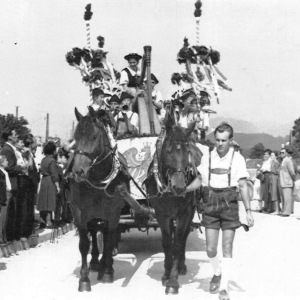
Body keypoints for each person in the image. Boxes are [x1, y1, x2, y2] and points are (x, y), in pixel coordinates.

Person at [185, 122, 254, 300]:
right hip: (211, 203)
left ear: (231, 140)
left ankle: (224, 287)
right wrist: (184, 190)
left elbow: (243, 186)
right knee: (209, 249)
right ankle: (217, 272)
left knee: (227, 246)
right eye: (217, 140)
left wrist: (248, 210)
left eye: (224, 140)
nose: (220, 144)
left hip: (230, 204)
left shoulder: (237, 159)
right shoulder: (208, 157)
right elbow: (200, 179)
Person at [0, 130, 25, 241]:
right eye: (15, 135)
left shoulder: (10, 149)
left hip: (14, 183)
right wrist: (21, 167)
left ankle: (11, 236)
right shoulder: (7, 150)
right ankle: (9, 236)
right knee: (11, 212)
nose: (17, 137)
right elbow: (9, 168)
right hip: (11, 183)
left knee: (13, 211)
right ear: (9, 137)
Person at [37, 142, 60, 228]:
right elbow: (54, 174)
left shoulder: (43, 159)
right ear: (53, 151)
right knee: (50, 201)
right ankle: (49, 221)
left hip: (44, 180)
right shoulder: (52, 161)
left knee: (43, 201)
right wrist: (57, 185)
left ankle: (43, 220)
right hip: (50, 181)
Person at [279, 146, 296, 217]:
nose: (281, 154)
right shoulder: (283, 161)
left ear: (286, 153)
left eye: (283, 152)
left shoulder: (288, 161)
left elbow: (292, 172)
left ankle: (286, 212)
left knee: (287, 198)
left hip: (287, 181)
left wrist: (293, 179)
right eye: (280, 152)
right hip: (283, 181)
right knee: (284, 198)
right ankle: (284, 210)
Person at [0, 155, 11, 245]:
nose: (7, 162)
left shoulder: (4, 171)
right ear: (2, 163)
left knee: (5, 217)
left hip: (7, 195)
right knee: (2, 217)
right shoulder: (0, 173)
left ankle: (4, 237)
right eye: (6, 161)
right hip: (3, 196)